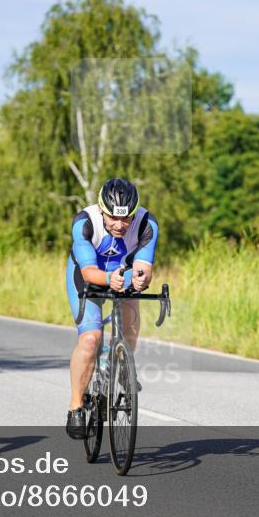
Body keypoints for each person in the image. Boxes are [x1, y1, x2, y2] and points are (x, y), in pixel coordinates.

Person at [64, 178, 159, 439]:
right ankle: (75, 405)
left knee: (129, 323)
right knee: (91, 338)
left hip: (124, 271)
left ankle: (117, 368)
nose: (119, 225)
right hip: (87, 274)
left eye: (126, 219)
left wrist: (141, 278)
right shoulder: (84, 222)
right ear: (101, 209)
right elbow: (89, 270)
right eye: (113, 218)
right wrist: (108, 279)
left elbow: (144, 266)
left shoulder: (147, 224)